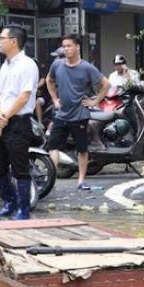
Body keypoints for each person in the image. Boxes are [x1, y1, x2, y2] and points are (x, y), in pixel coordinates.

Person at [45, 34, 110, 191]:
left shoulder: (87, 67)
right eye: (64, 46)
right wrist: (54, 99)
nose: (66, 49)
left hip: (79, 115)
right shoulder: (57, 65)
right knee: (52, 147)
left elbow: (106, 84)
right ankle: (50, 180)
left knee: (82, 149)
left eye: (69, 46)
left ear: (77, 47)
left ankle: (81, 180)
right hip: (61, 114)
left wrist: (95, 101)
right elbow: (49, 80)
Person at [0, 25, 40, 220]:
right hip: (1, 121)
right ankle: (9, 200)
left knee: (19, 168)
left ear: (14, 41)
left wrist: (5, 118)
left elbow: (24, 96)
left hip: (19, 122)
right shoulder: (5, 65)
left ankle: (23, 209)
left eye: (2, 38)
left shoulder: (28, 65)